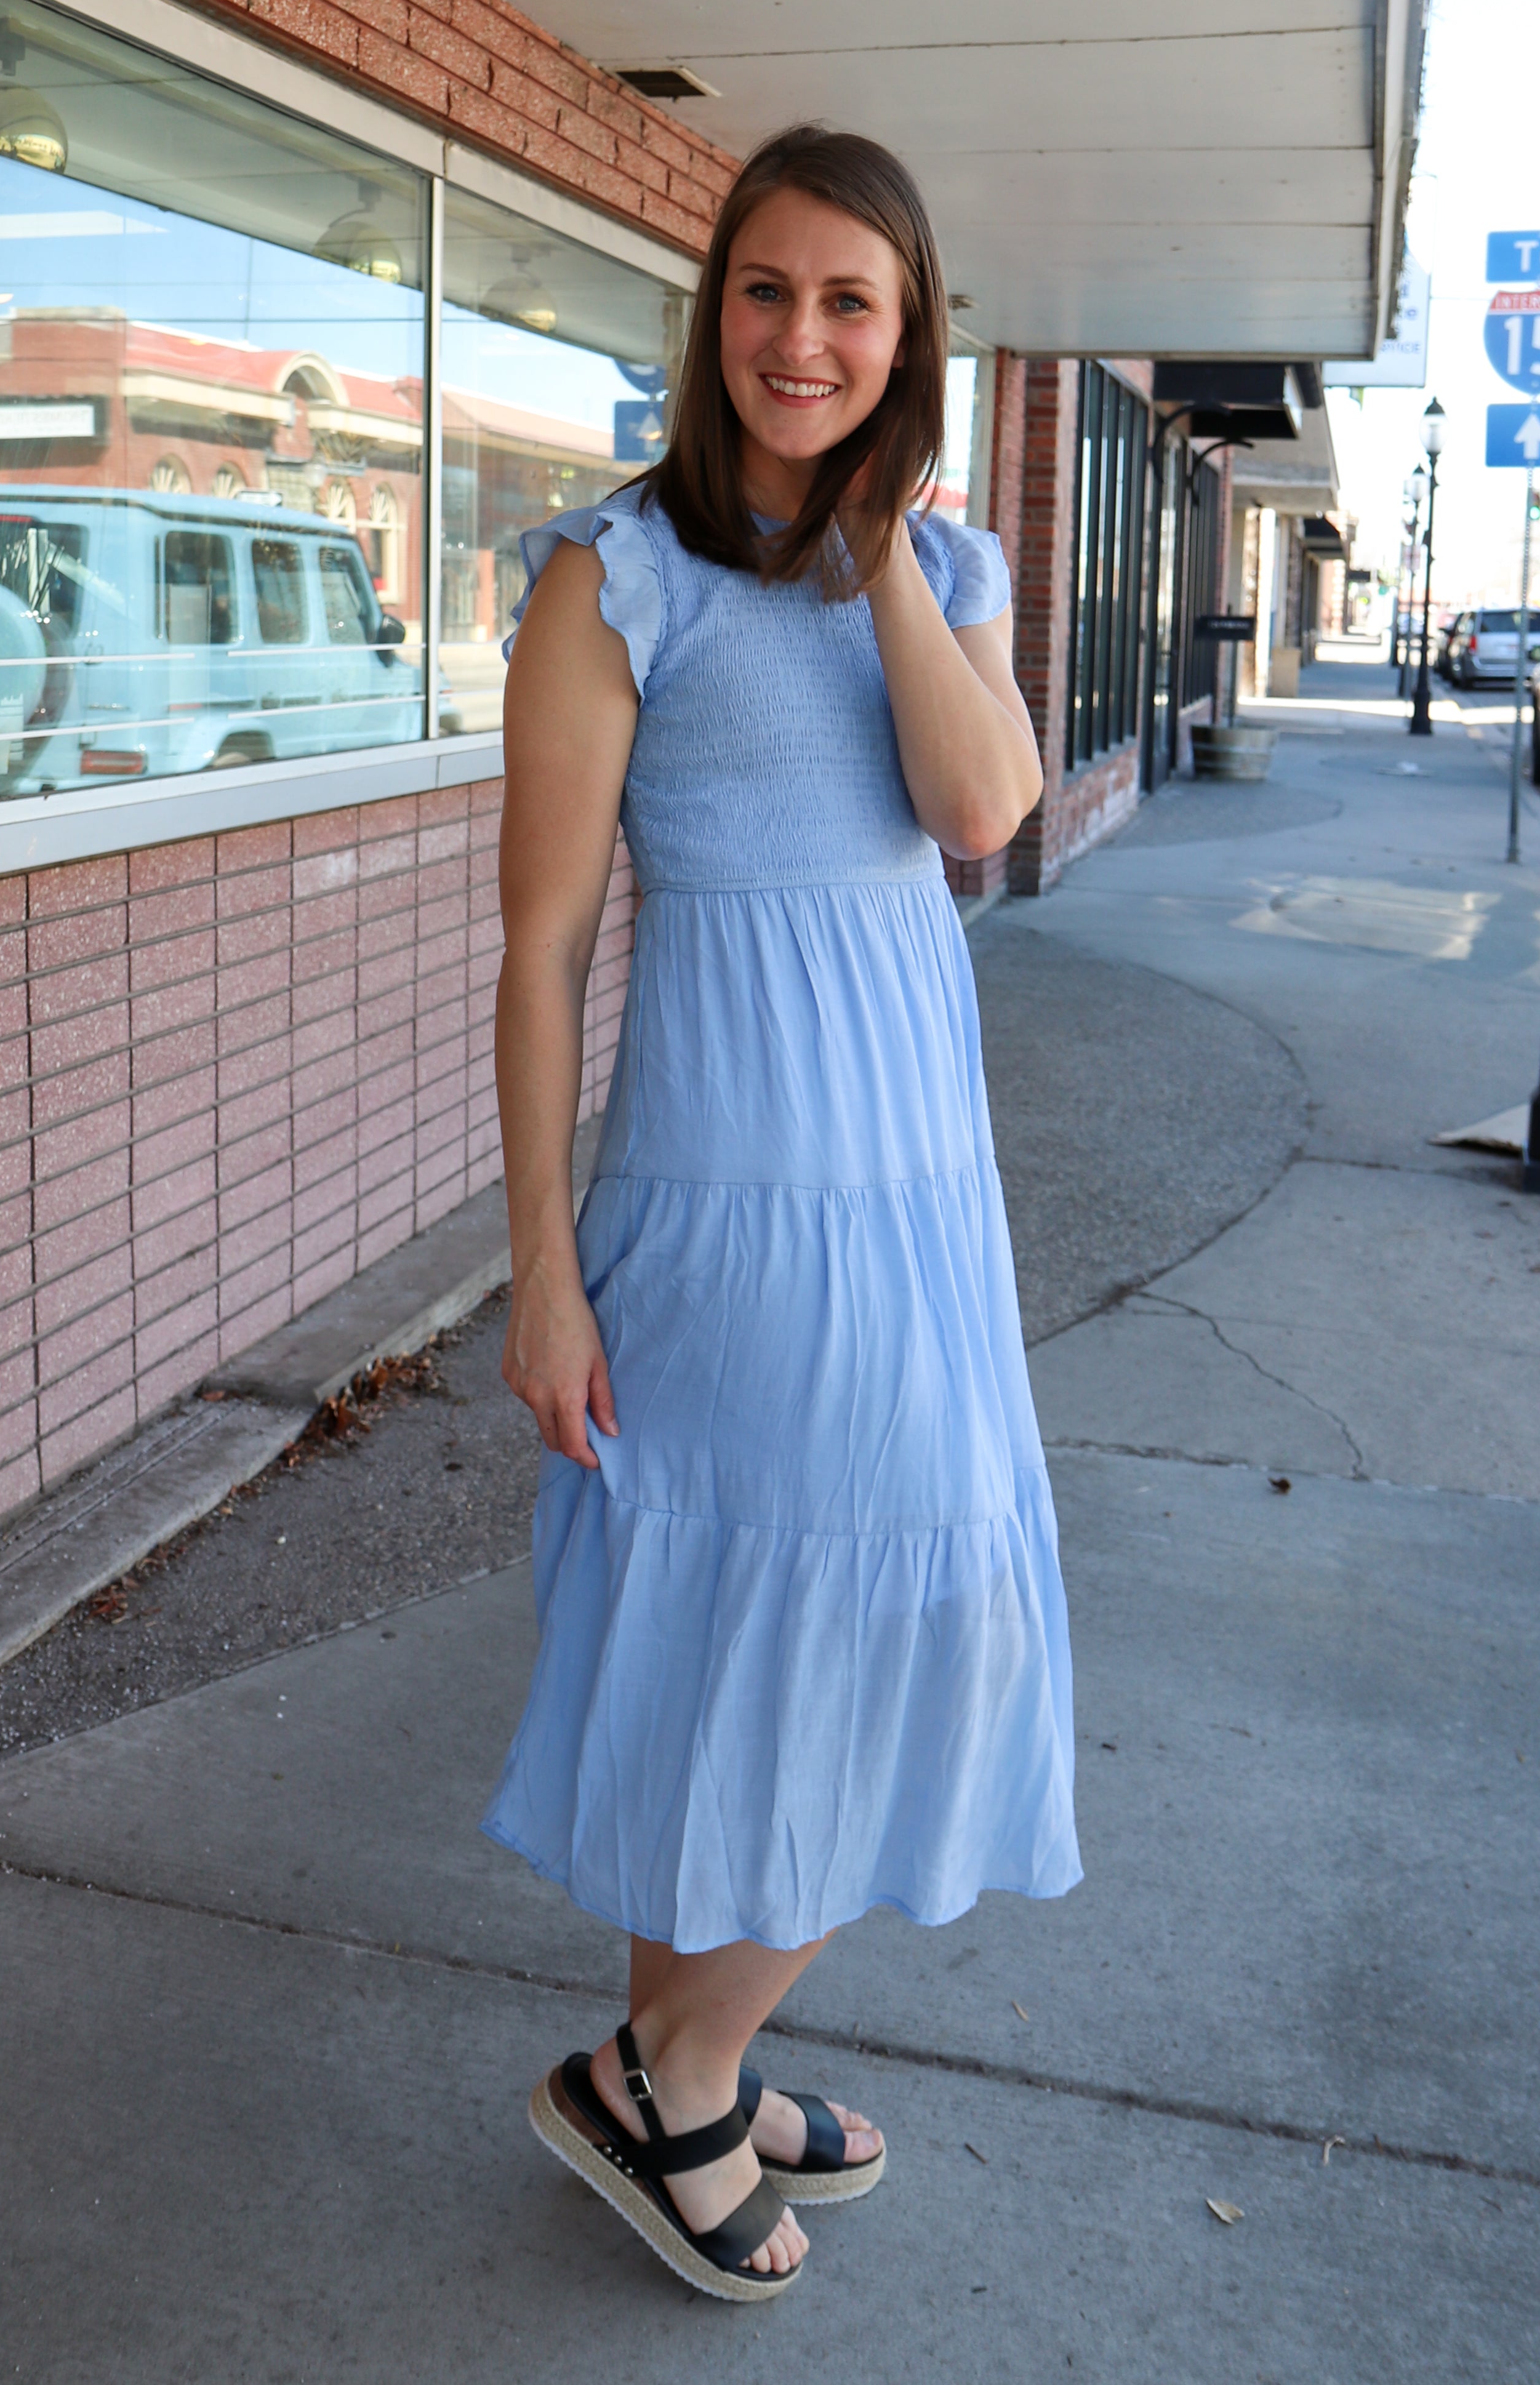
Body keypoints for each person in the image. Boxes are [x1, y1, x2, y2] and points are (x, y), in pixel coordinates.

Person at [483, 125, 1080, 2303]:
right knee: (746, 1639)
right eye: (766, 290)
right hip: (724, 1213)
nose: (800, 336)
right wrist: (542, 1271)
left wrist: (882, 545)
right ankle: (673, 2064)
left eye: (851, 301)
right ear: (709, 307)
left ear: (909, 333)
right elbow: (544, 949)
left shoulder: (964, 565)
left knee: (901, 1619)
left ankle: (683, 2069)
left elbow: (985, 810)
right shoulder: (609, 573)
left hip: (916, 1203)